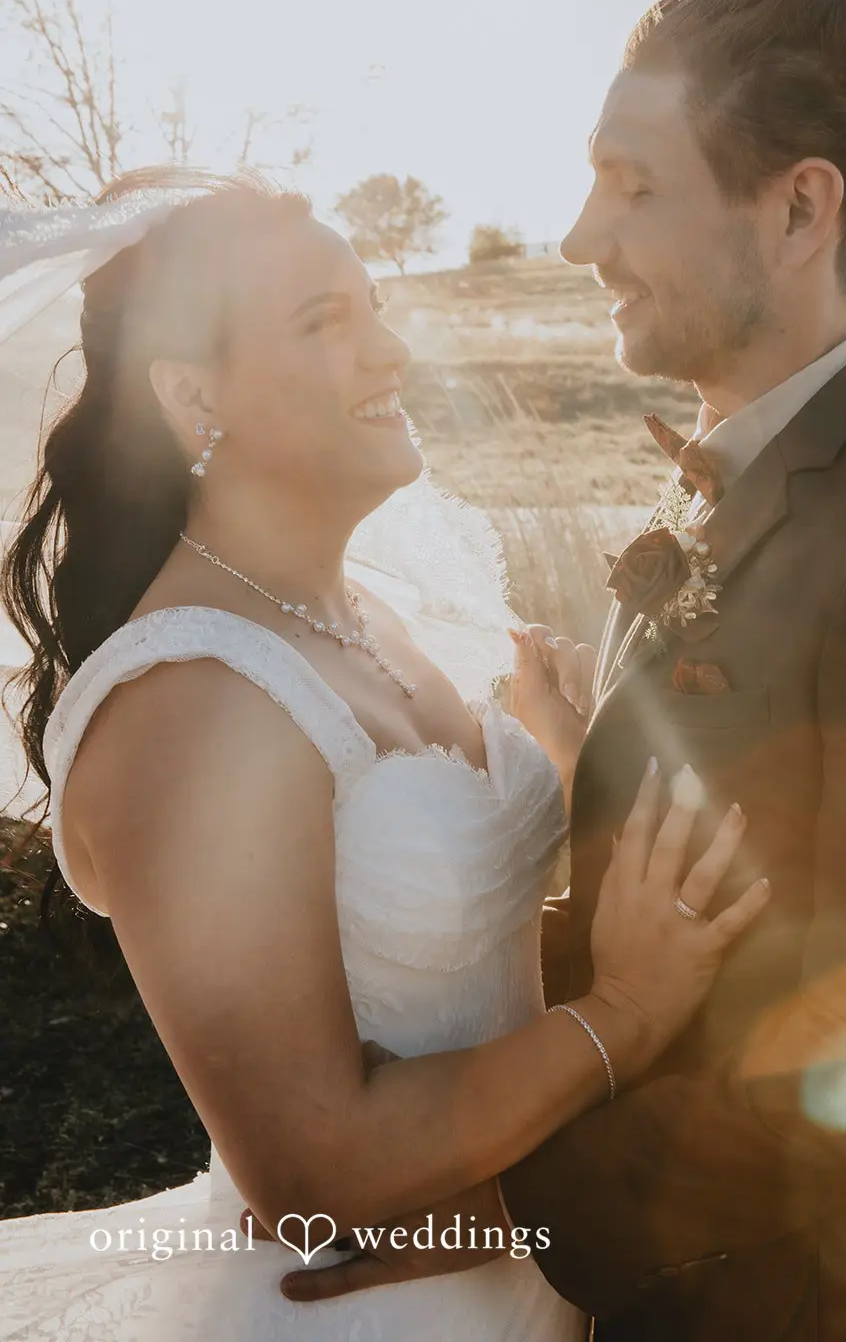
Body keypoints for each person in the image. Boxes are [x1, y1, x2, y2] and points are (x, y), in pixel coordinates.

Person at [285, 0, 846, 1337]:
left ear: (796, 211)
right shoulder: (741, 467)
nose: (582, 239)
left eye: (631, 186)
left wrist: (519, 1203)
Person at [0, 168, 769, 1340]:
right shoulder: (191, 699)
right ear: (189, 391)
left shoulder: (375, 617)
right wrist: (626, 1010)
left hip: (505, 1262)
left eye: (373, 306)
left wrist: (576, 774)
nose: (390, 353)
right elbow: (308, 1165)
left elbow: (434, 950)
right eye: (327, 322)